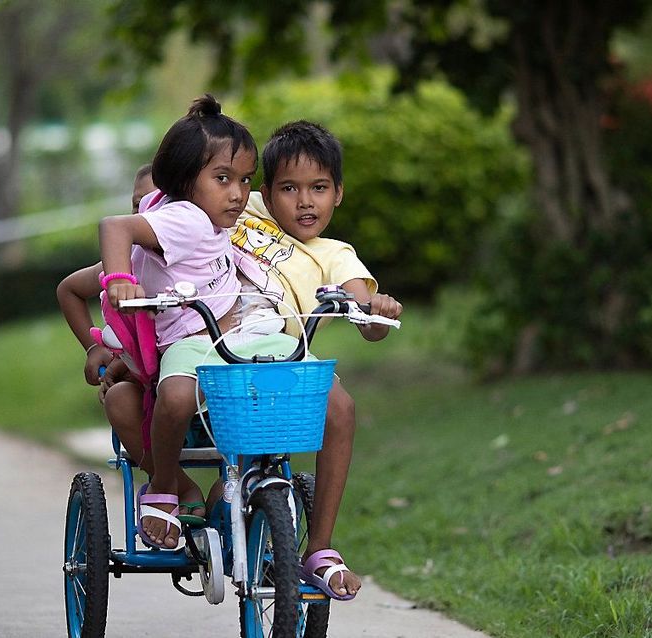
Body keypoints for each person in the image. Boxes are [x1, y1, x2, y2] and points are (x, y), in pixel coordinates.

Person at [228, 120, 403, 600]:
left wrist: (377, 311)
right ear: (265, 192)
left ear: (338, 194)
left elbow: (366, 315)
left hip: (284, 359)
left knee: (340, 408)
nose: (305, 201)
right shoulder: (243, 209)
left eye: (319, 188)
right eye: (289, 188)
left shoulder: (335, 255)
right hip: (215, 348)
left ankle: (320, 549)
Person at [100, 94, 283, 551]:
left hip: (230, 335)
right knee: (178, 394)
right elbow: (114, 227)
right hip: (197, 342)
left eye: (244, 179)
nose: (239, 193)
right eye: (224, 179)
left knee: (287, 373)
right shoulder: (187, 219)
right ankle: (165, 487)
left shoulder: (207, 215)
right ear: (185, 181)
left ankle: (227, 486)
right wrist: (120, 279)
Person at [57, 163, 211, 518]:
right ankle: (174, 484)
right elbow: (68, 290)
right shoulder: (125, 268)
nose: (149, 214)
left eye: (161, 205)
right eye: (139, 205)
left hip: (205, 382)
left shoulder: (207, 257)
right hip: (151, 390)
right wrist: (94, 346)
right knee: (119, 399)